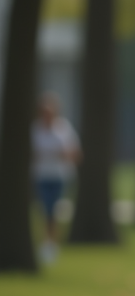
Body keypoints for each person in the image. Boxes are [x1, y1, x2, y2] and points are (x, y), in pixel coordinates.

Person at [31, 92, 81, 265]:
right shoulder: (35, 129)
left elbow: (75, 152)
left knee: (54, 210)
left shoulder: (64, 128)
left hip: (60, 176)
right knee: (45, 209)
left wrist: (60, 154)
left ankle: (52, 243)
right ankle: (46, 242)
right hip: (41, 175)